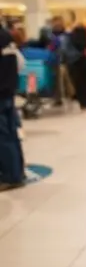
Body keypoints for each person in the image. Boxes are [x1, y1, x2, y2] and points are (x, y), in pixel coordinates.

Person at [0, 23, 26, 191]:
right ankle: (17, 172)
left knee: (3, 137)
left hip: (1, 93)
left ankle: (11, 176)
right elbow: (19, 63)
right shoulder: (6, 36)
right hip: (7, 91)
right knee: (11, 134)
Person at [62, 10, 86, 110]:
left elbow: (82, 44)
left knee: (83, 82)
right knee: (76, 82)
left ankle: (85, 103)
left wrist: (70, 35)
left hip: (81, 59)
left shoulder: (79, 30)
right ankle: (82, 102)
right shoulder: (65, 31)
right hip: (72, 61)